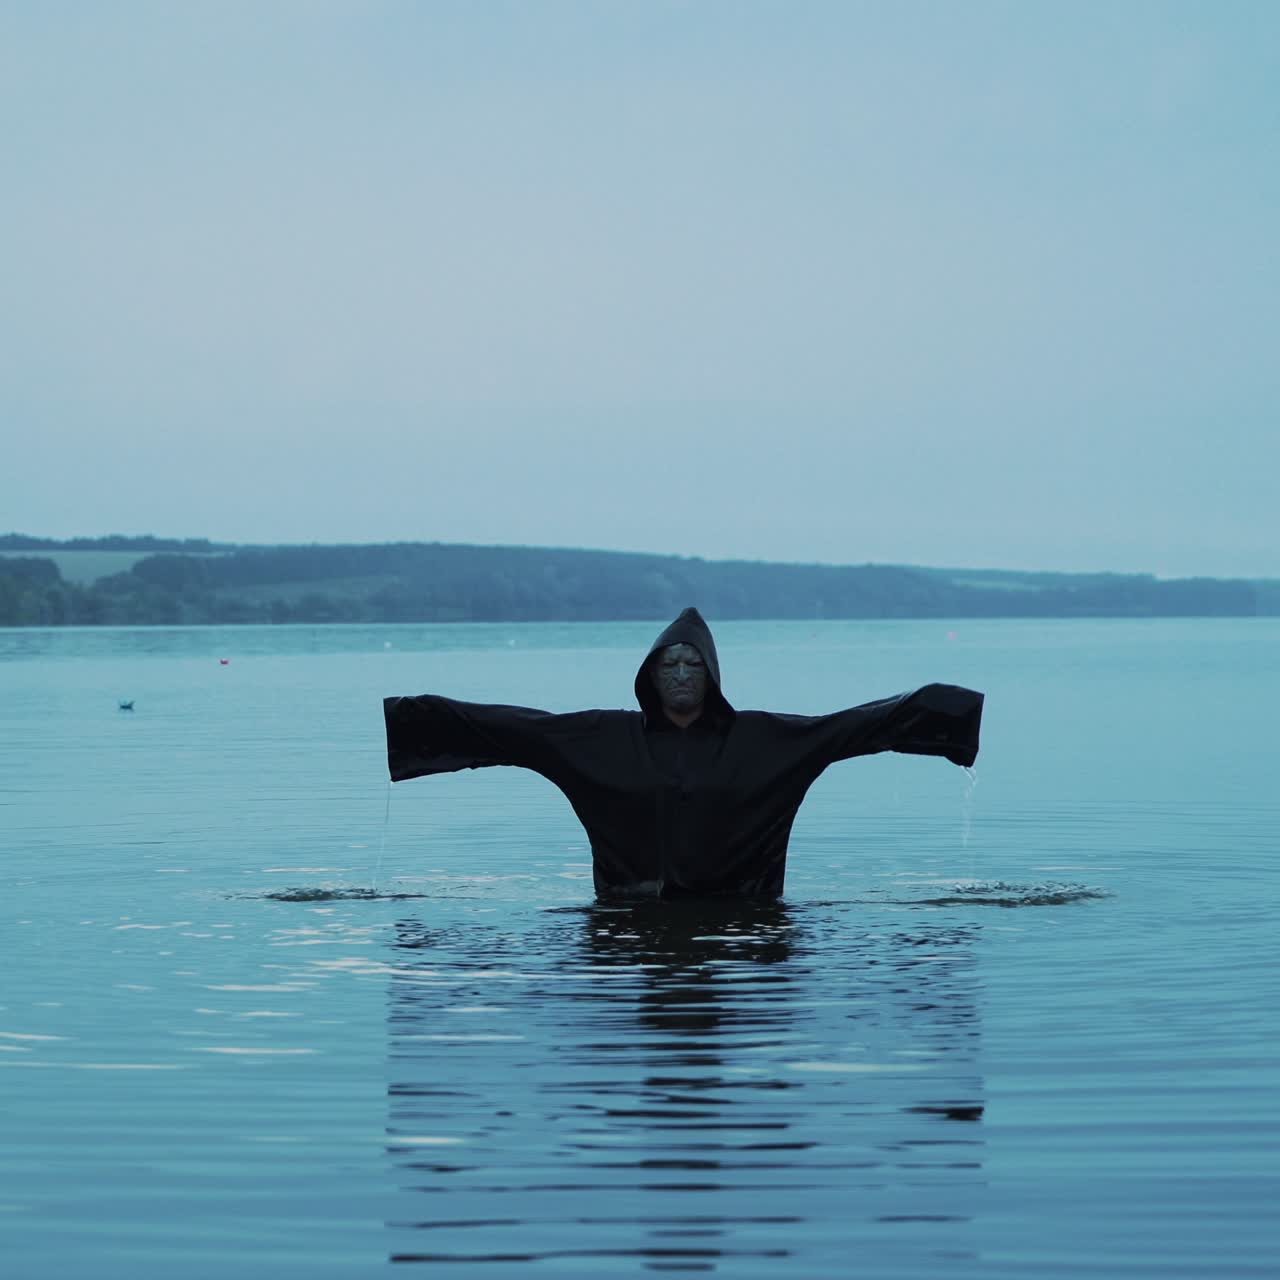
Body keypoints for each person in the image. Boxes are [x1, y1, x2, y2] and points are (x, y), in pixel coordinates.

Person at [383, 606, 983, 899]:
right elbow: (519, 731)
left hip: (745, 928)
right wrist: (420, 719)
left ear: (712, 673)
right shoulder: (608, 740)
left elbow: (849, 728)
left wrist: (939, 710)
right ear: (649, 674)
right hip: (628, 912)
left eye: (690, 663)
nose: (678, 674)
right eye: (667, 664)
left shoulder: (760, 741)